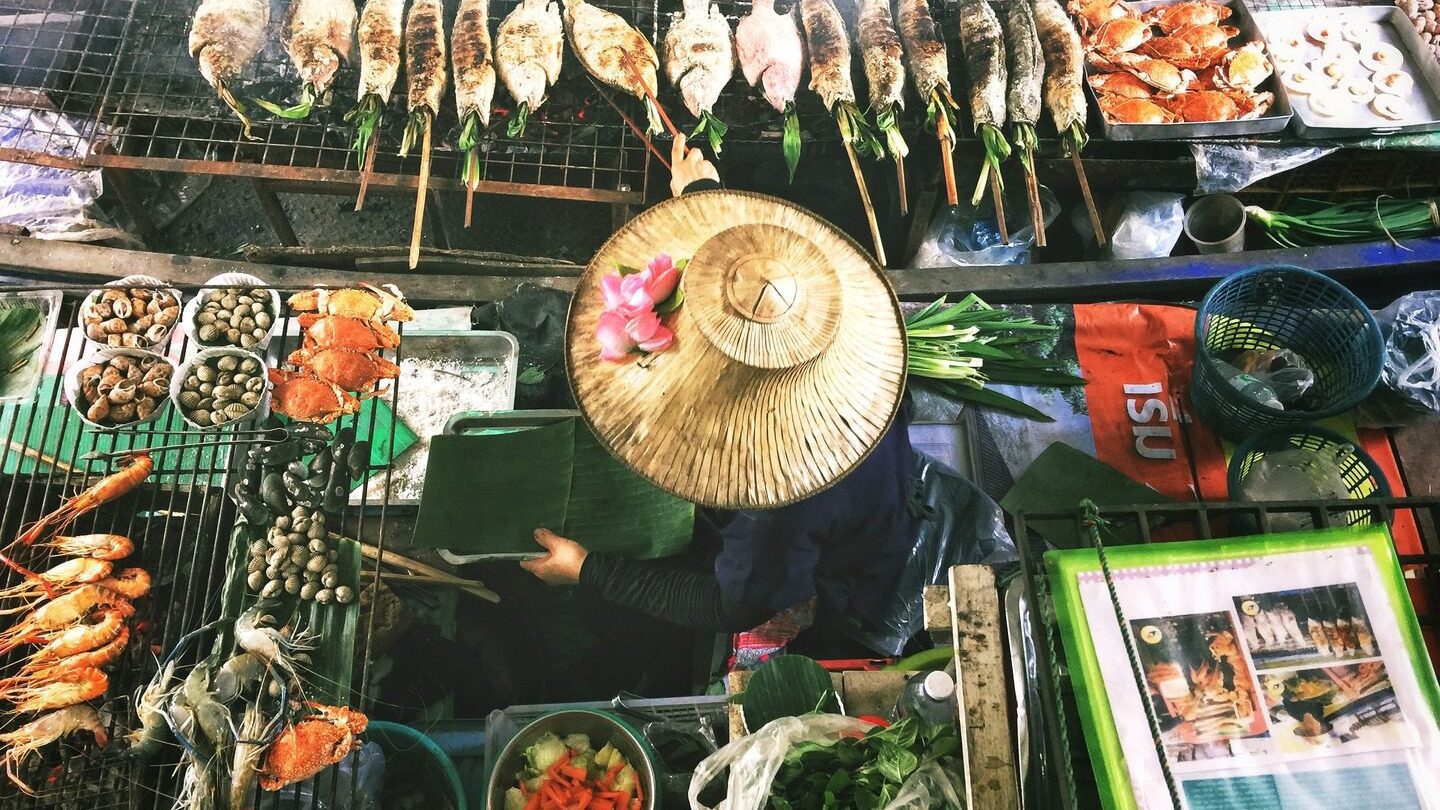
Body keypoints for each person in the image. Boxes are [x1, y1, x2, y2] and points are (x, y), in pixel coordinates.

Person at [520, 140, 919, 656]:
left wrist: (588, 570)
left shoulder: (772, 500)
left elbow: (730, 606)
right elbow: (754, 286)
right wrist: (703, 196)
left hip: (855, 565)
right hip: (868, 471)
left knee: (616, 622)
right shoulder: (815, 299)